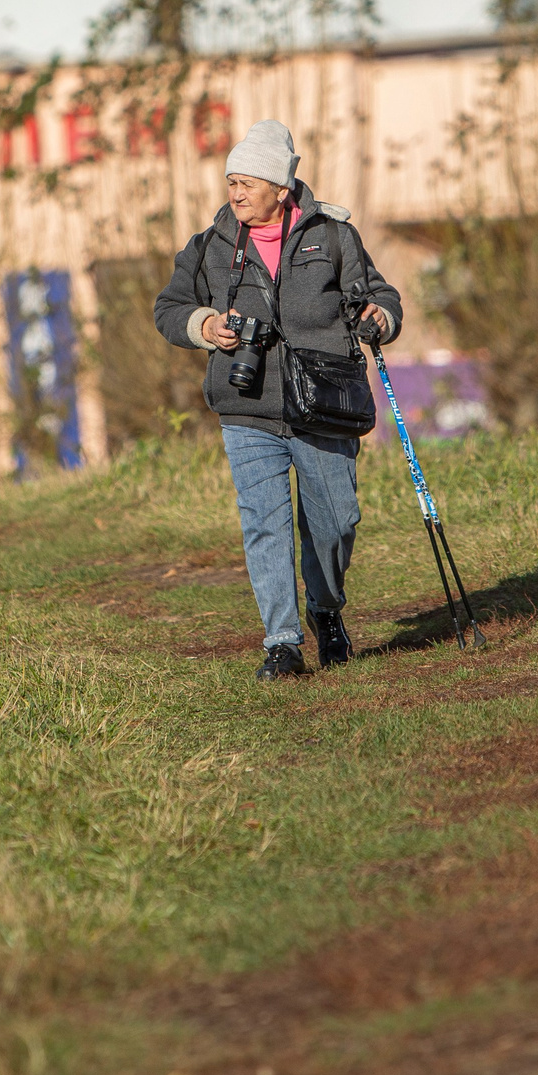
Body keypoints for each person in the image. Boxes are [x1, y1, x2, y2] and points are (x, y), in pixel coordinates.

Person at [154, 119, 401, 680]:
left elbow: (381, 293)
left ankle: (326, 609)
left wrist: (379, 316)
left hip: (327, 402)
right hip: (248, 407)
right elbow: (168, 308)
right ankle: (282, 643)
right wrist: (204, 324)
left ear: (281, 188)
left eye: (247, 181)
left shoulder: (334, 236)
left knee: (336, 520)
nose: (235, 192)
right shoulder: (210, 246)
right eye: (231, 181)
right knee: (264, 523)